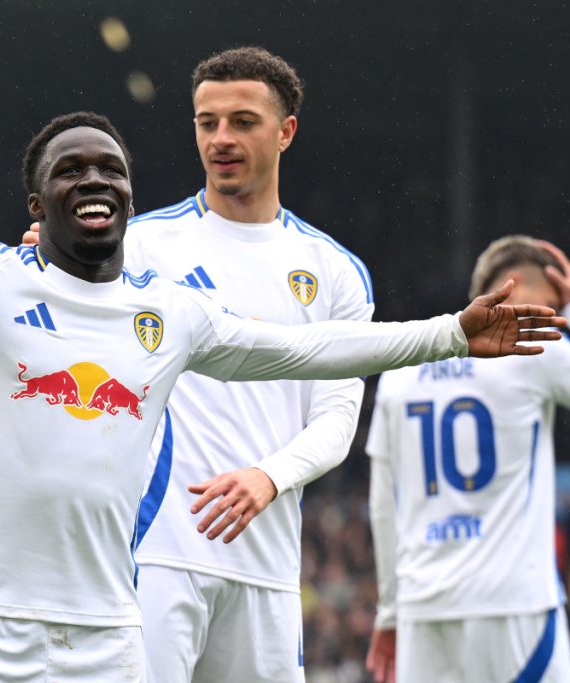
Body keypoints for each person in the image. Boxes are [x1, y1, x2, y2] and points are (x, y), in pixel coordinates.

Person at [0, 113, 562, 681]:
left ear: (129, 196)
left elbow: (309, 348)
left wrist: (450, 332)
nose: (96, 180)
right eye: (72, 170)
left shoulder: (172, 315)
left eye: (112, 170)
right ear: (36, 203)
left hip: (106, 641)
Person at [21, 47, 371, 682]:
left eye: (243, 121)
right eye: (207, 123)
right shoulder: (138, 246)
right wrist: (46, 268)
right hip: (154, 551)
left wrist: (268, 476)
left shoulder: (335, 271)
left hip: (268, 567)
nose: (221, 139)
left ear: (286, 131)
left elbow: (337, 419)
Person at [365, 236, 570, 683]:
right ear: (514, 285)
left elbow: (383, 504)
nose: (554, 320)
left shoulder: (401, 370)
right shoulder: (536, 344)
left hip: (424, 609)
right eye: (552, 305)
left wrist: (389, 612)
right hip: (512, 603)